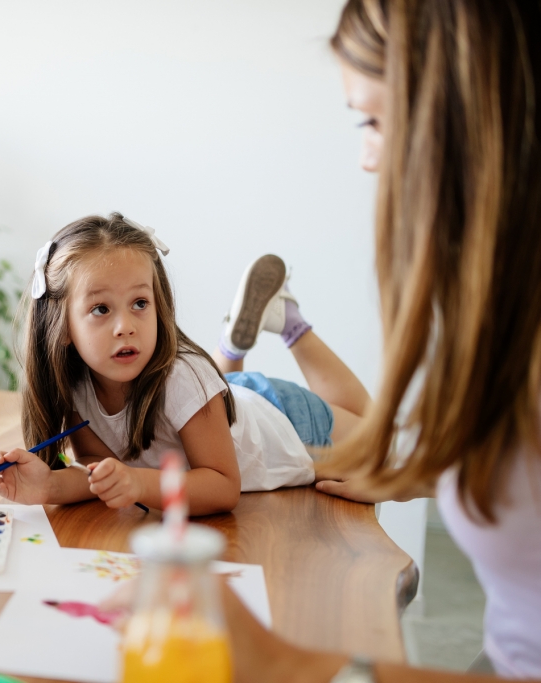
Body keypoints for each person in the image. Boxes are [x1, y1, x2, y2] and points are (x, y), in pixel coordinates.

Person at [208, 0, 541, 680]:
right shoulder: (504, 309)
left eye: (372, 121)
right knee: (334, 418)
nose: (367, 159)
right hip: (501, 654)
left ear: (465, 114)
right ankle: (277, 327)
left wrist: (288, 662)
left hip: (265, 416)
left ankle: (267, 333)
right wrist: (414, 476)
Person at [0, 214, 369, 514]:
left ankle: (290, 323)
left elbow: (222, 487)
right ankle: (232, 347)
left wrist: (138, 483)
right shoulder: (78, 385)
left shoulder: (183, 379)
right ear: (62, 327)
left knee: (378, 433)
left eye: (140, 303)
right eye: (101, 309)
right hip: (223, 406)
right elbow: (99, 468)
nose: (125, 326)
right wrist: (48, 485)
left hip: (290, 424)